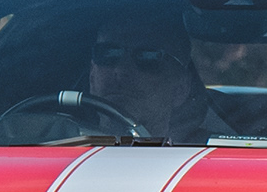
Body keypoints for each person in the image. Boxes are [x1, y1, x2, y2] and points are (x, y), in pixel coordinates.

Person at [86, 9, 212, 141]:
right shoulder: (70, 144)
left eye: (147, 58)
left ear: (181, 88)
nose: (121, 71)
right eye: (108, 54)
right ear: (91, 75)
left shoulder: (213, 151)